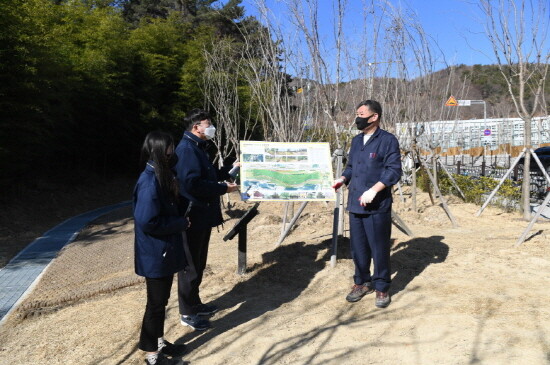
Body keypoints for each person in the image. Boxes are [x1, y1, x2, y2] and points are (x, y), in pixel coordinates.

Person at [174, 109, 239, 330]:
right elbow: (192, 184)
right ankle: (186, 312)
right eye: (207, 124)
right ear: (196, 127)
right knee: (190, 266)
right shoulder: (186, 150)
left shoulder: (198, 148)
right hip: (192, 215)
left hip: (202, 214)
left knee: (199, 263)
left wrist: (232, 169)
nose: (211, 127)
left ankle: (195, 304)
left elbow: (209, 175)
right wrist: (222, 189)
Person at [333, 100, 402, 308]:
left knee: (379, 247)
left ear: (374, 117)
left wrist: (374, 190)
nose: (358, 118)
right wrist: (342, 179)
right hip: (355, 203)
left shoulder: (388, 140)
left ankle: (381, 287)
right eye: (357, 114)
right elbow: (351, 166)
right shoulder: (356, 141)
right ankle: (361, 282)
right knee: (358, 248)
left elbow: (393, 170)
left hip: (377, 205)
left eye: (361, 114)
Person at [134, 131, 190, 365]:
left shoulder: (160, 175)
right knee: (156, 304)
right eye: (169, 148)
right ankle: (151, 356)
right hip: (155, 253)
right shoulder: (148, 182)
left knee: (161, 302)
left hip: (163, 250)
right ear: (159, 150)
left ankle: (158, 341)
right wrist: (180, 223)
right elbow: (147, 220)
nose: (172, 152)